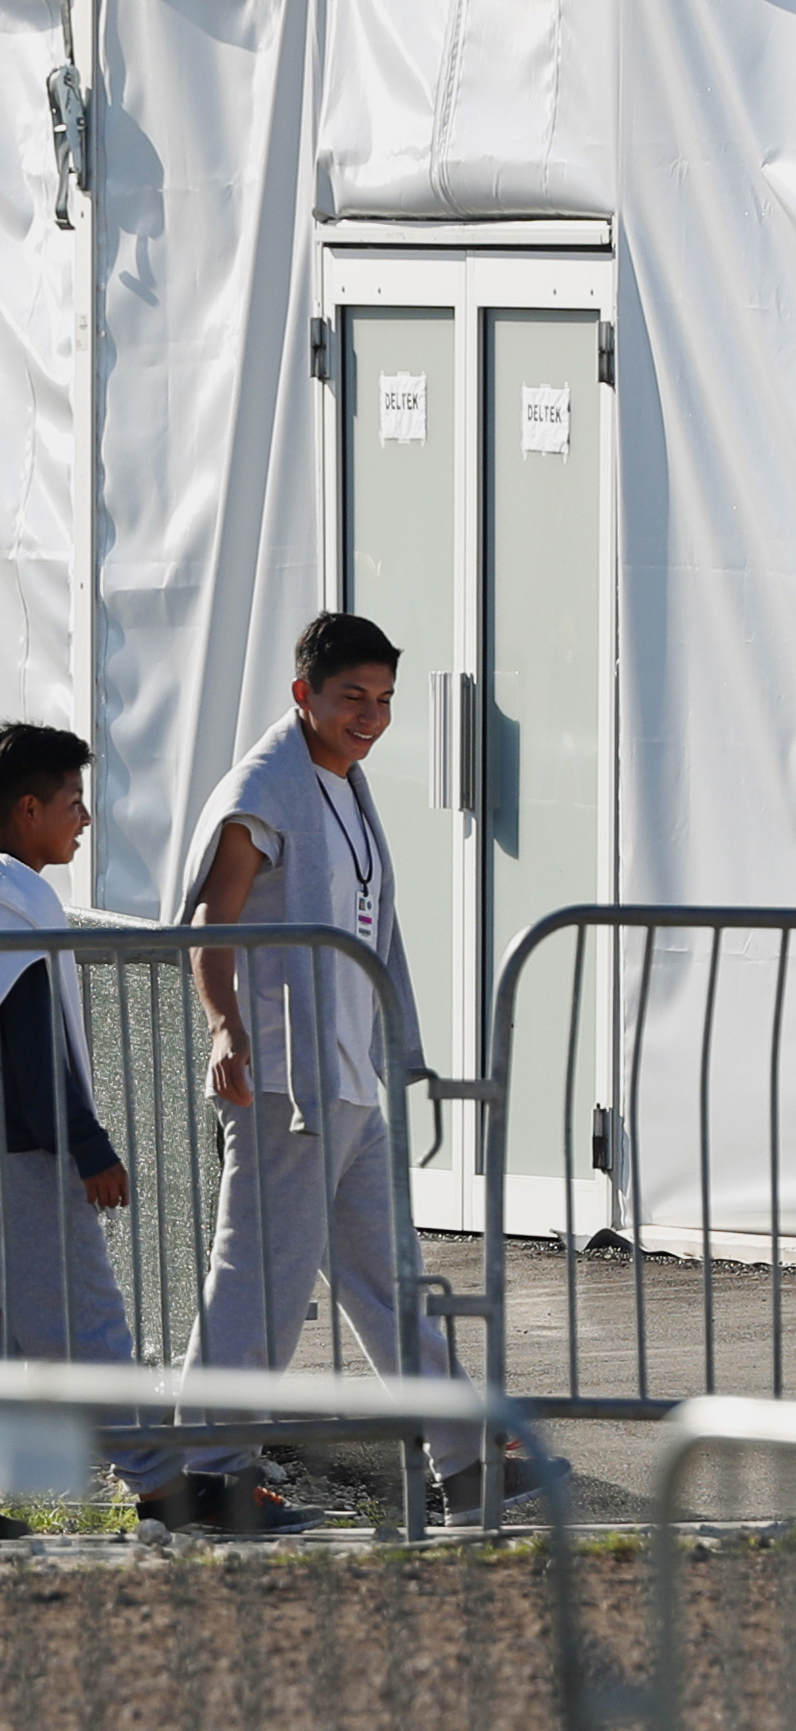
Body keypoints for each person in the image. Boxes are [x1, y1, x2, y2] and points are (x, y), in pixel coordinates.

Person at [175, 614, 562, 1531]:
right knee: (259, 1282)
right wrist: (225, 1027)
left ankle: (466, 1466)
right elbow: (207, 923)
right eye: (352, 697)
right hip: (284, 1082)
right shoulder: (263, 786)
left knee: (390, 1281)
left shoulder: (343, 783)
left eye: (383, 700)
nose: (370, 716)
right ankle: (203, 1474)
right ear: (302, 693)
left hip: (347, 1079)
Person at [0, 723, 199, 1540]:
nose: (83, 818)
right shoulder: (11, 909)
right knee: (85, 1321)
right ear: (28, 809)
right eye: (71, 802)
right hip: (18, 1152)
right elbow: (34, 1052)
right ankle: (162, 1489)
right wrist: (88, 1147)